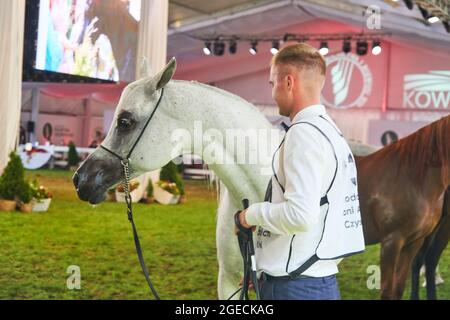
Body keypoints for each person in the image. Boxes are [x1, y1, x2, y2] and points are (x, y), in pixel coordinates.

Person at [235, 43, 365, 300]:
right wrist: (266, 268)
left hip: (295, 287)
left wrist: (249, 215)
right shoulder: (329, 131)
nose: (272, 92)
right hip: (311, 279)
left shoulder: (303, 133)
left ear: (289, 82)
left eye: (272, 83)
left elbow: (300, 216)